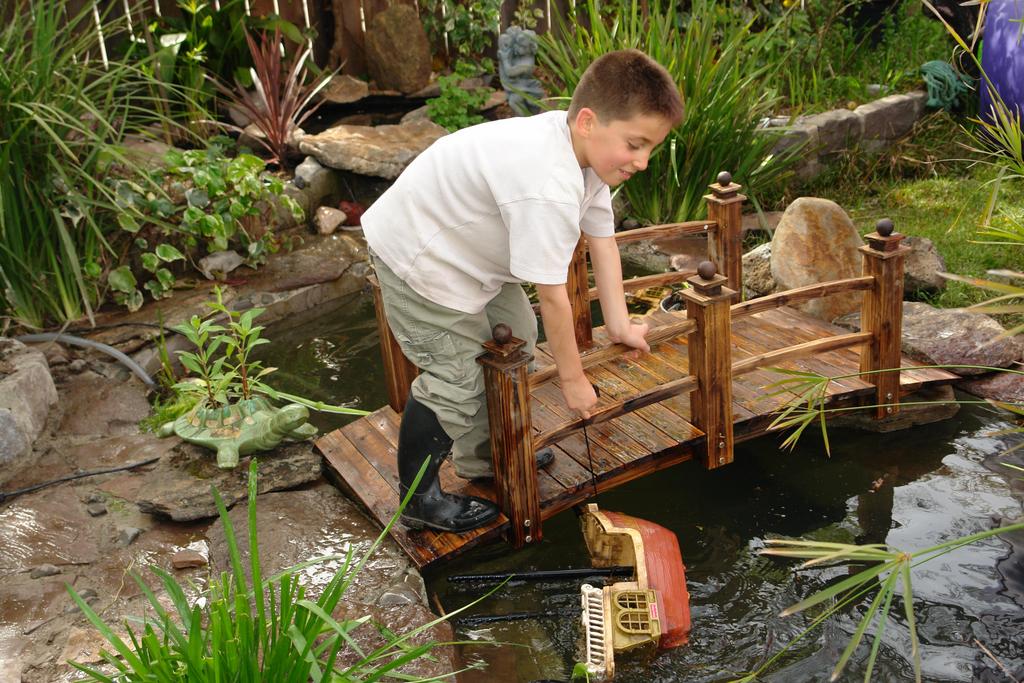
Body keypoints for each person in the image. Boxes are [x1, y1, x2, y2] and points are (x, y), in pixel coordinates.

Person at [362, 49, 684, 533]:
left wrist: (618, 325)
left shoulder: (587, 157)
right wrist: (573, 381)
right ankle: (418, 500)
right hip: (419, 255)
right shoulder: (547, 184)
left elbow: (603, 241)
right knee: (458, 376)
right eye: (635, 144)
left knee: (518, 333)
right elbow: (554, 296)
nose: (642, 161)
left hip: (466, 248)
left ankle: (483, 458)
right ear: (589, 122)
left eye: (651, 148)